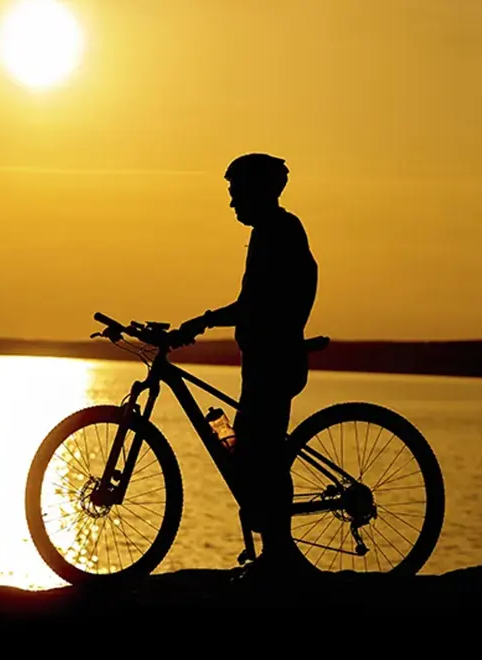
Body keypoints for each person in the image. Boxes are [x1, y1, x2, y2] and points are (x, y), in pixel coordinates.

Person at [176, 153, 319, 579]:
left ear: (259, 191)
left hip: (274, 362)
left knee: (265, 458)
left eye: (236, 193)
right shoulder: (269, 232)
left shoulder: (279, 232)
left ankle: (280, 555)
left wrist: (205, 320)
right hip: (263, 360)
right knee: (256, 453)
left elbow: (258, 303)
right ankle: (274, 552)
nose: (232, 203)